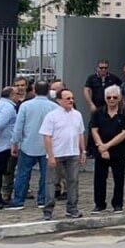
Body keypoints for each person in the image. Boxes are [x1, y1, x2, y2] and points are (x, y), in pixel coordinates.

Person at [7, 81, 58, 210]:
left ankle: (19, 200)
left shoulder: (25, 106)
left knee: (22, 174)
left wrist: (15, 143)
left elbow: (19, 127)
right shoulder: (54, 107)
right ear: (48, 91)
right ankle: (42, 199)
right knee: (46, 175)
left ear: (34, 90)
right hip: (47, 146)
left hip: (28, 144)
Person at [40, 89, 86, 221]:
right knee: (51, 182)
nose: (71, 100)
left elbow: (80, 134)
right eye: (67, 98)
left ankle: (72, 209)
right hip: (57, 154)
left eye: (72, 98)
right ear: (59, 100)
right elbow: (47, 137)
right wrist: (51, 155)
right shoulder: (52, 116)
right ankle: (48, 211)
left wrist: (83, 151)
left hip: (73, 153)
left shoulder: (77, 115)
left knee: (73, 181)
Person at [89, 85, 125, 214]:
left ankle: (117, 204)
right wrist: (101, 147)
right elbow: (94, 130)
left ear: (119, 98)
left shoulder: (124, 113)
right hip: (101, 150)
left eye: (114, 97)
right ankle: (99, 204)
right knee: (99, 179)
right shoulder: (98, 112)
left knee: (119, 179)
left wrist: (107, 146)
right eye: (109, 97)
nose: (111, 99)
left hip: (118, 151)